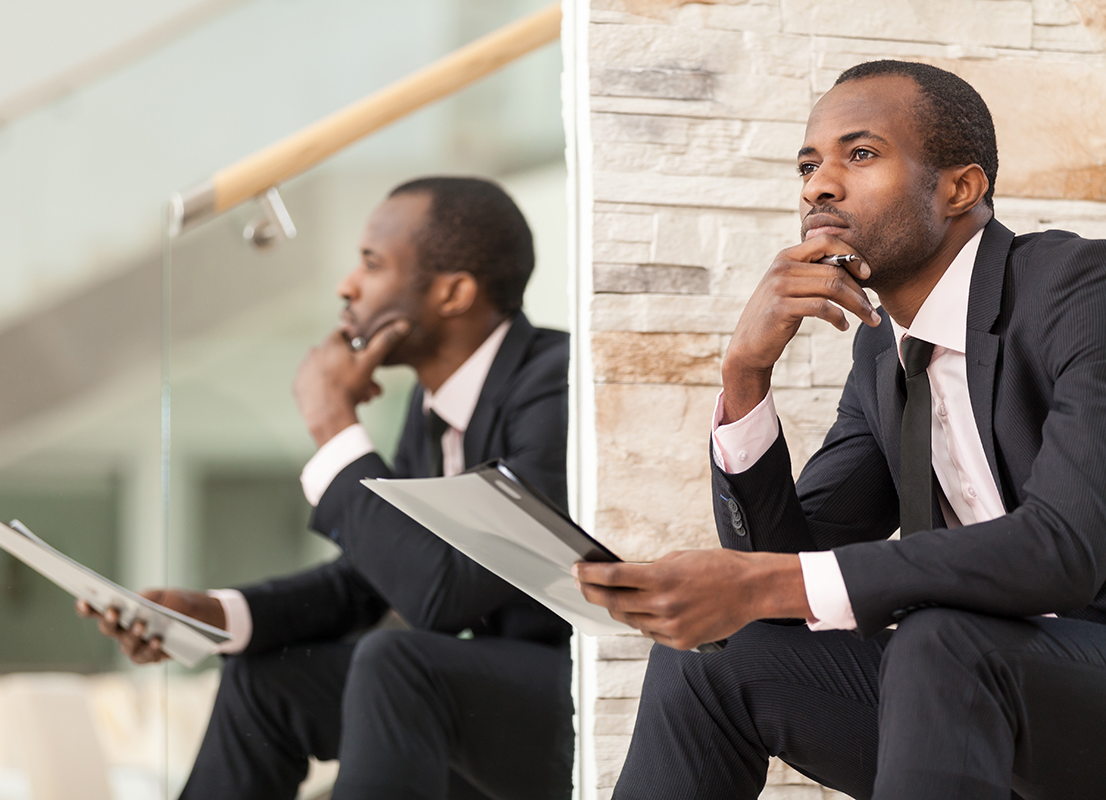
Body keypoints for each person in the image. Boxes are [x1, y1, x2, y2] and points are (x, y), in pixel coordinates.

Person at [575, 60, 1106, 799]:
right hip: (964, 698)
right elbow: (790, 562)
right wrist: (744, 376)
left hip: (1079, 686)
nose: (816, 186)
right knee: (716, 650)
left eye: (859, 155)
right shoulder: (883, 353)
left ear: (961, 187)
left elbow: (1065, 550)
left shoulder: (1080, 290)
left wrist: (764, 581)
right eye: (807, 163)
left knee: (939, 635)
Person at [79, 177, 574, 800]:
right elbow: (372, 579)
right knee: (263, 681)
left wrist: (334, 422)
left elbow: (443, 596)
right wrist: (218, 615)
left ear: (454, 292)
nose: (347, 285)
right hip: (463, 701)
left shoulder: (556, 386)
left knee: (395, 660)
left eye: (371, 263)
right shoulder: (433, 402)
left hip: (575, 708)